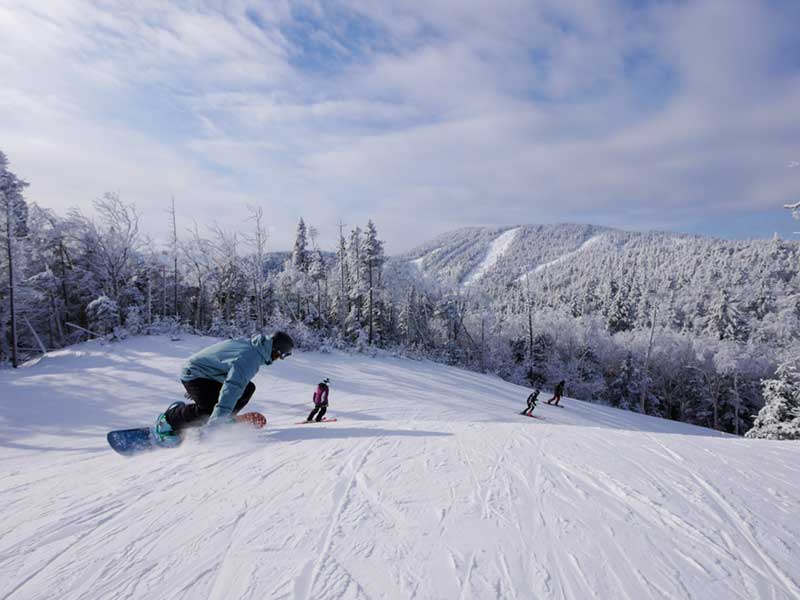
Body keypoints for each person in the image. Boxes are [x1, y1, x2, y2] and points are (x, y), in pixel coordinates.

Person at [151, 331, 294, 445]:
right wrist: (215, 424)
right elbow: (232, 387)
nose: (278, 360)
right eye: (281, 356)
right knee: (208, 409)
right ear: (276, 351)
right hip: (195, 372)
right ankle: (168, 420)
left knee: (248, 388)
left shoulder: (255, 347)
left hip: (210, 374)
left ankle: (222, 419)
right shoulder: (251, 357)